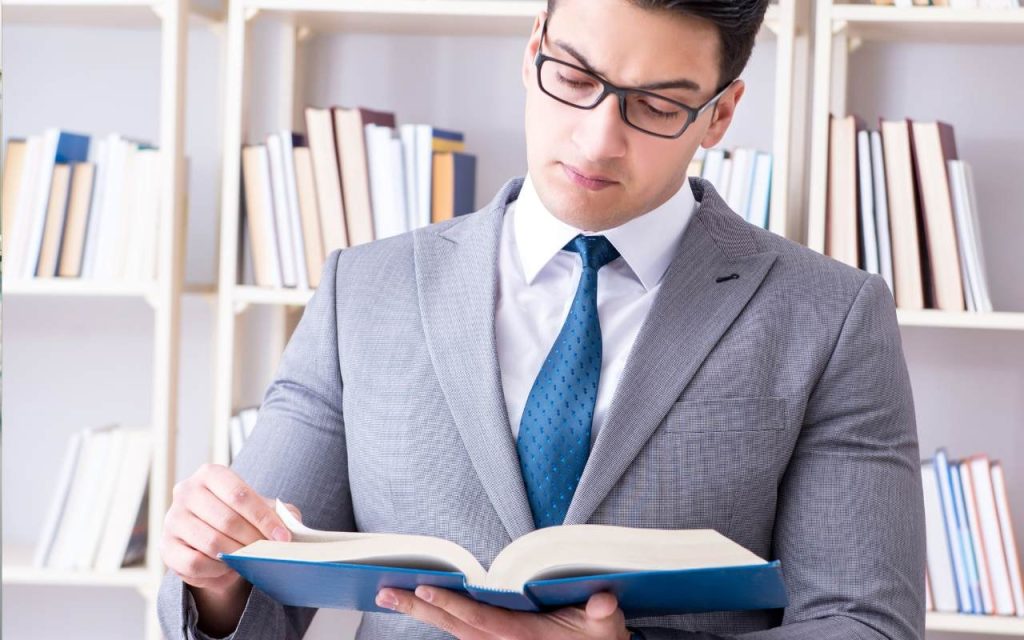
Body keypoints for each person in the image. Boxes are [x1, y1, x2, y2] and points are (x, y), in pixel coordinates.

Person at [158, 0, 927, 638]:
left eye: (657, 105)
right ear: (533, 51)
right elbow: (253, 592)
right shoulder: (366, 288)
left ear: (720, 114)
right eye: (573, 77)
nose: (599, 138)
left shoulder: (830, 316)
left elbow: (867, 624)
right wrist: (214, 578)